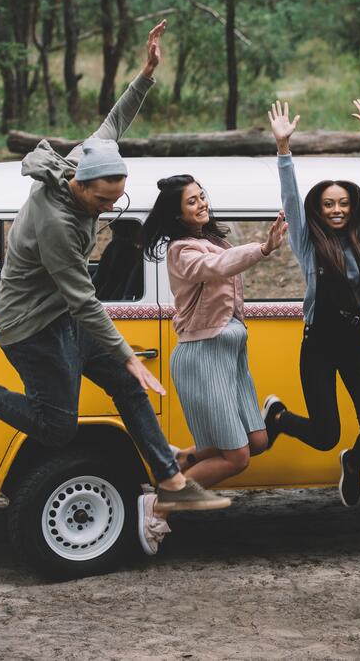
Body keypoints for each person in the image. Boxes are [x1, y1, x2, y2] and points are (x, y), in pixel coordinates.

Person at [0, 21, 230, 558]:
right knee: (56, 427)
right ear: (78, 184)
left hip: (58, 315)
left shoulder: (87, 158)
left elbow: (115, 121)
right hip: (29, 327)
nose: (109, 208)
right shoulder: (57, 223)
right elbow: (84, 300)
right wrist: (126, 353)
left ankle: (171, 480)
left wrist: (147, 73)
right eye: (103, 201)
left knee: (128, 389)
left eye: (116, 199)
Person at [136, 175, 287, 554]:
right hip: (202, 357)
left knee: (257, 440)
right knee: (236, 458)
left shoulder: (212, 240)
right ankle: (158, 507)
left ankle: (182, 457)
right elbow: (218, 266)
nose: (202, 203)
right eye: (192, 201)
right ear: (177, 214)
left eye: (202, 197)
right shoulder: (182, 251)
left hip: (230, 357)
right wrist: (263, 248)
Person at [260, 99, 360, 507]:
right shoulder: (307, 243)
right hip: (318, 345)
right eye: (329, 204)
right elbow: (290, 198)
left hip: (358, 345)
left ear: (353, 207)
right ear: (319, 208)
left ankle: (353, 462)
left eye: (343, 203)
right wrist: (283, 148)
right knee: (325, 435)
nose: (336, 209)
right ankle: (279, 418)